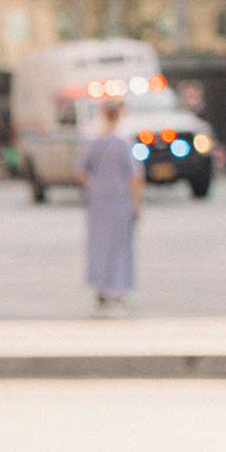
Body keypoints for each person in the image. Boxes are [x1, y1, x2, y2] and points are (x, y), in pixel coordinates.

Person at [81, 98, 144, 314]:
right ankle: (117, 288)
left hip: (98, 202)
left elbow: (81, 171)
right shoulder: (123, 142)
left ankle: (99, 286)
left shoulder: (94, 141)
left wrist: (95, 187)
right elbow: (133, 176)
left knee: (98, 243)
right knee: (119, 245)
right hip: (119, 201)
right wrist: (137, 203)